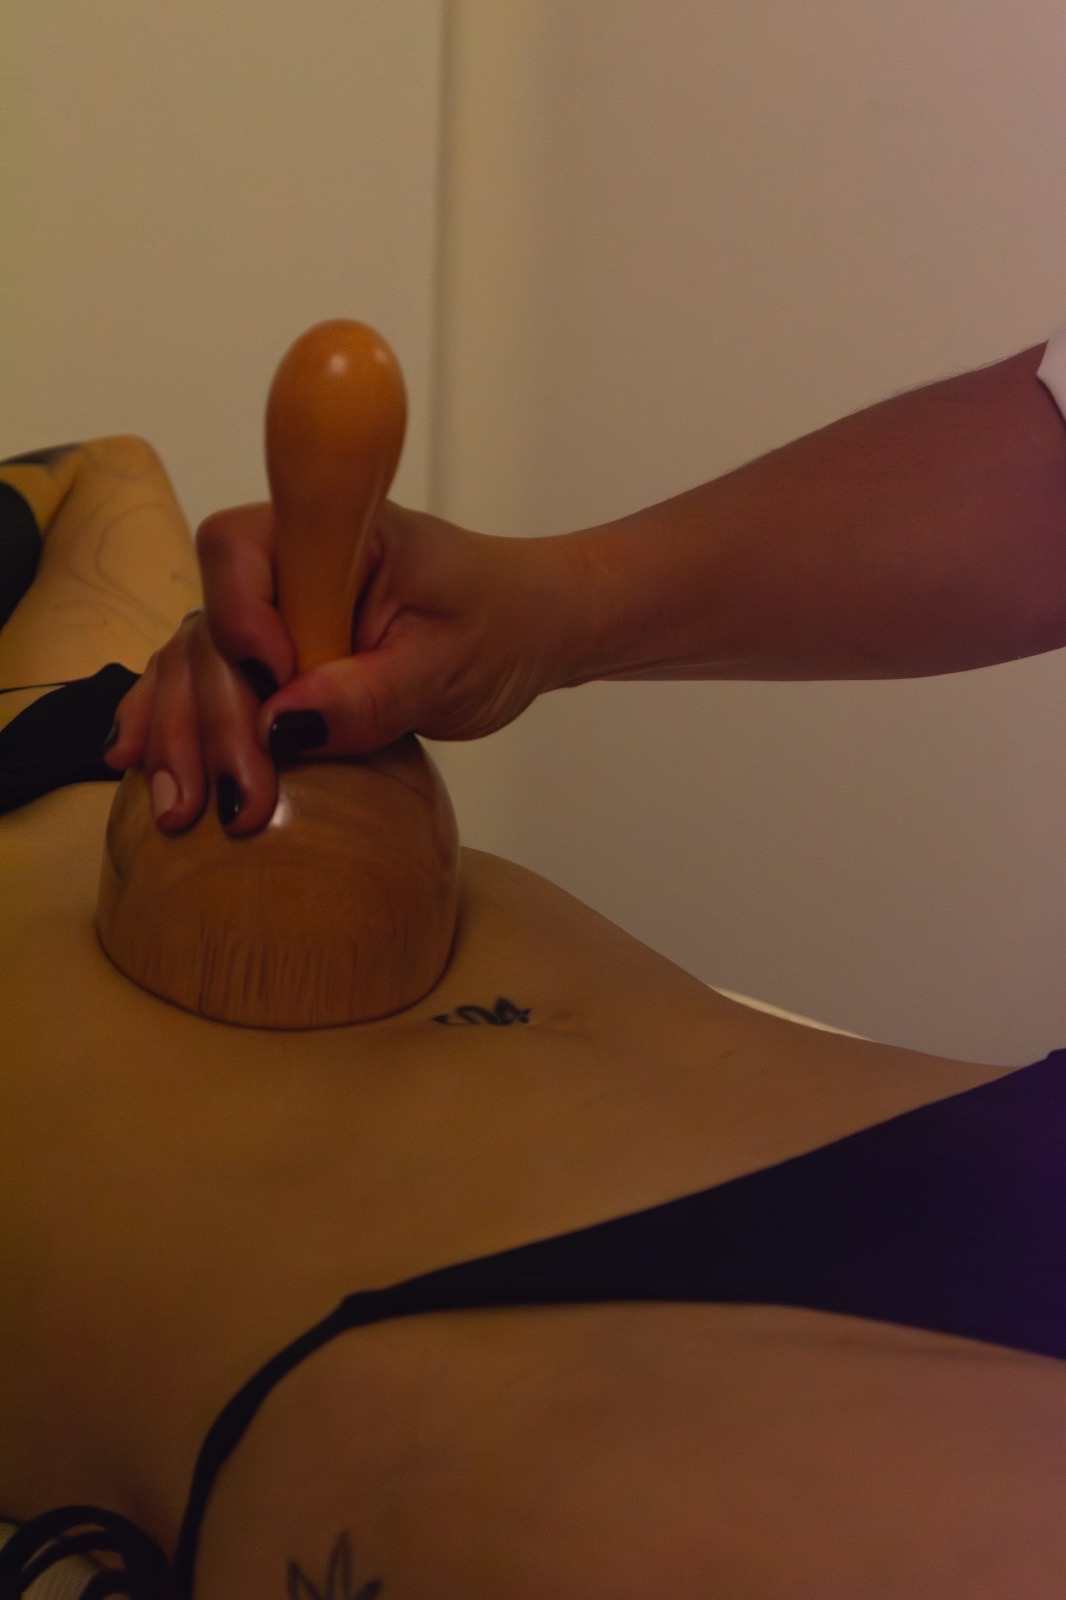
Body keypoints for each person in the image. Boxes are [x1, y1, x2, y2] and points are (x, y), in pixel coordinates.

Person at [0, 337, 1063, 1600]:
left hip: (946, 1159)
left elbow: (102, 475)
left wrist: (546, 599)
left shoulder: (76, 710)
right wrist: (568, 600)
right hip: (474, 1376)